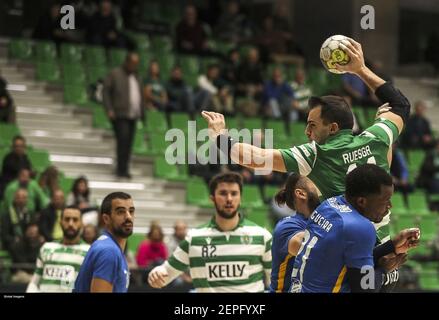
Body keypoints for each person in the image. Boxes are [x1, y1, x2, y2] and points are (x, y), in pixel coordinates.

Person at [202, 37, 411, 289]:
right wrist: (360, 70)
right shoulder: (377, 136)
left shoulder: (315, 154)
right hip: (385, 255)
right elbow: (400, 104)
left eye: (312, 125)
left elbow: (252, 159)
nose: (307, 132)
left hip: (351, 262)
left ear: (332, 128)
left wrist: (218, 135)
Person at [290, 164, 420, 293]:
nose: (390, 205)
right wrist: (384, 271)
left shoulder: (329, 205)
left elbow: (346, 261)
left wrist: (392, 246)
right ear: (362, 201)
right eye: (385, 200)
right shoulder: (360, 227)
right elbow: (365, 288)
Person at [148, 172, 272, 292]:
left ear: (240, 198)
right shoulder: (194, 239)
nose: (229, 199)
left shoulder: (262, 236)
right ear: (212, 198)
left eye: (234, 194)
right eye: (223, 193)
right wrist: (155, 274)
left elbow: (277, 281)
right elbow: (166, 273)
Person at [74, 192, 134, 293]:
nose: (128, 216)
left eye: (131, 211)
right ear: (106, 219)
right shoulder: (109, 251)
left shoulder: (109, 246)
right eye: (121, 212)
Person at [270, 173, 321, 292]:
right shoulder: (287, 226)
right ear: (301, 193)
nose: (324, 184)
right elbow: (315, 250)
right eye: (317, 180)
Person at [27, 206, 90, 292]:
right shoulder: (46, 248)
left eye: (75, 220)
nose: (70, 224)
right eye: (67, 219)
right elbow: (34, 282)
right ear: (60, 222)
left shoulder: (89, 251)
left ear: (81, 223)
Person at [103, 52, 144, 178]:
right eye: (132, 63)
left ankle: (125, 168)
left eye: (136, 64)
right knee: (122, 141)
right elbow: (106, 92)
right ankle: (121, 169)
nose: (134, 66)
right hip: (120, 113)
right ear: (127, 62)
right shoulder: (115, 74)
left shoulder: (136, 76)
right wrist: (109, 108)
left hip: (133, 114)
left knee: (129, 143)